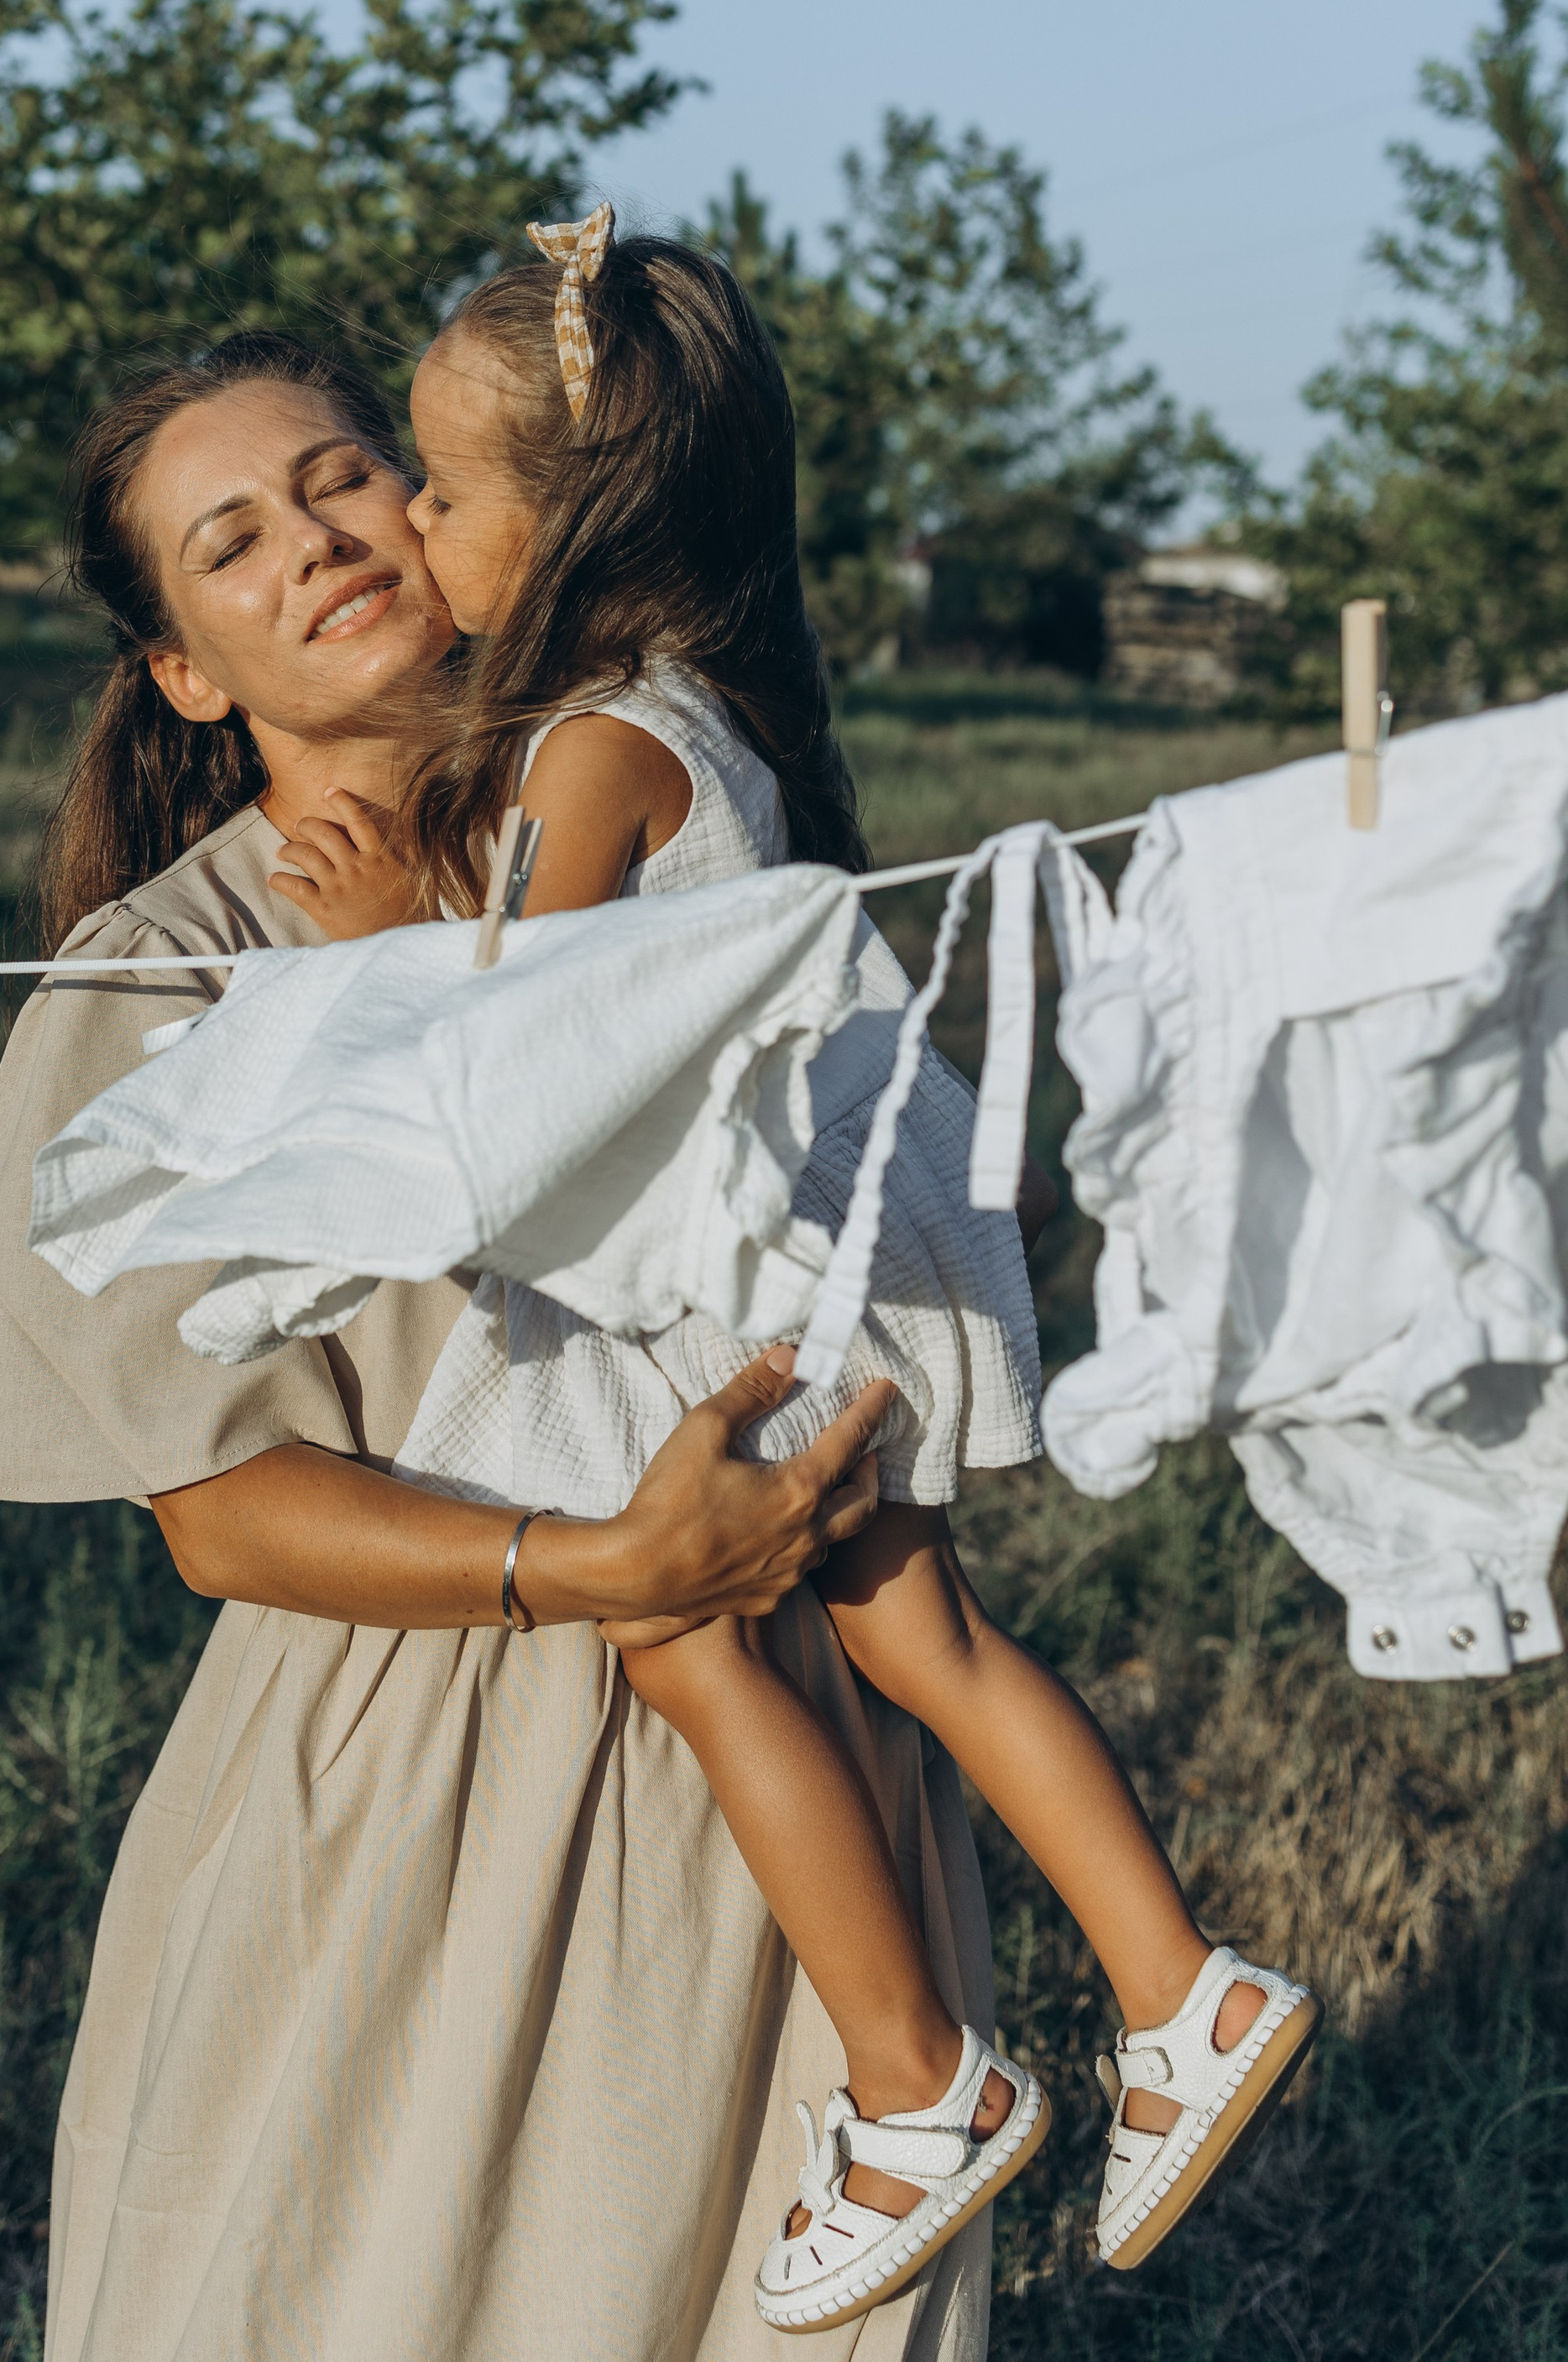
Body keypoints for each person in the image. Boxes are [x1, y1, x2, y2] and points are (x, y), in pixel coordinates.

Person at [0, 332, 997, 2362]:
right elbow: (223, 1511)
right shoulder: (163, 981)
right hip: (421, 1761)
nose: (316, 541)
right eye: (232, 542)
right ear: (185, 675)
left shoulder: (664, 828)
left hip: (786, 1742)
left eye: (339, 478)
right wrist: (610, 1565)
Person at [269, 214, 1318, 2335]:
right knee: (921, 1629)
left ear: (575, 518)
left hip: (755, 1277)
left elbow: (519, 1056)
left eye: (442, 489)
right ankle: (1176, 1986)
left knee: (674, 1635)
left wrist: (385, 937)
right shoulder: (701, 712)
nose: (413, 525)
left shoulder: (593, 749)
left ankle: (918, 2087)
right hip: (848, 1237)